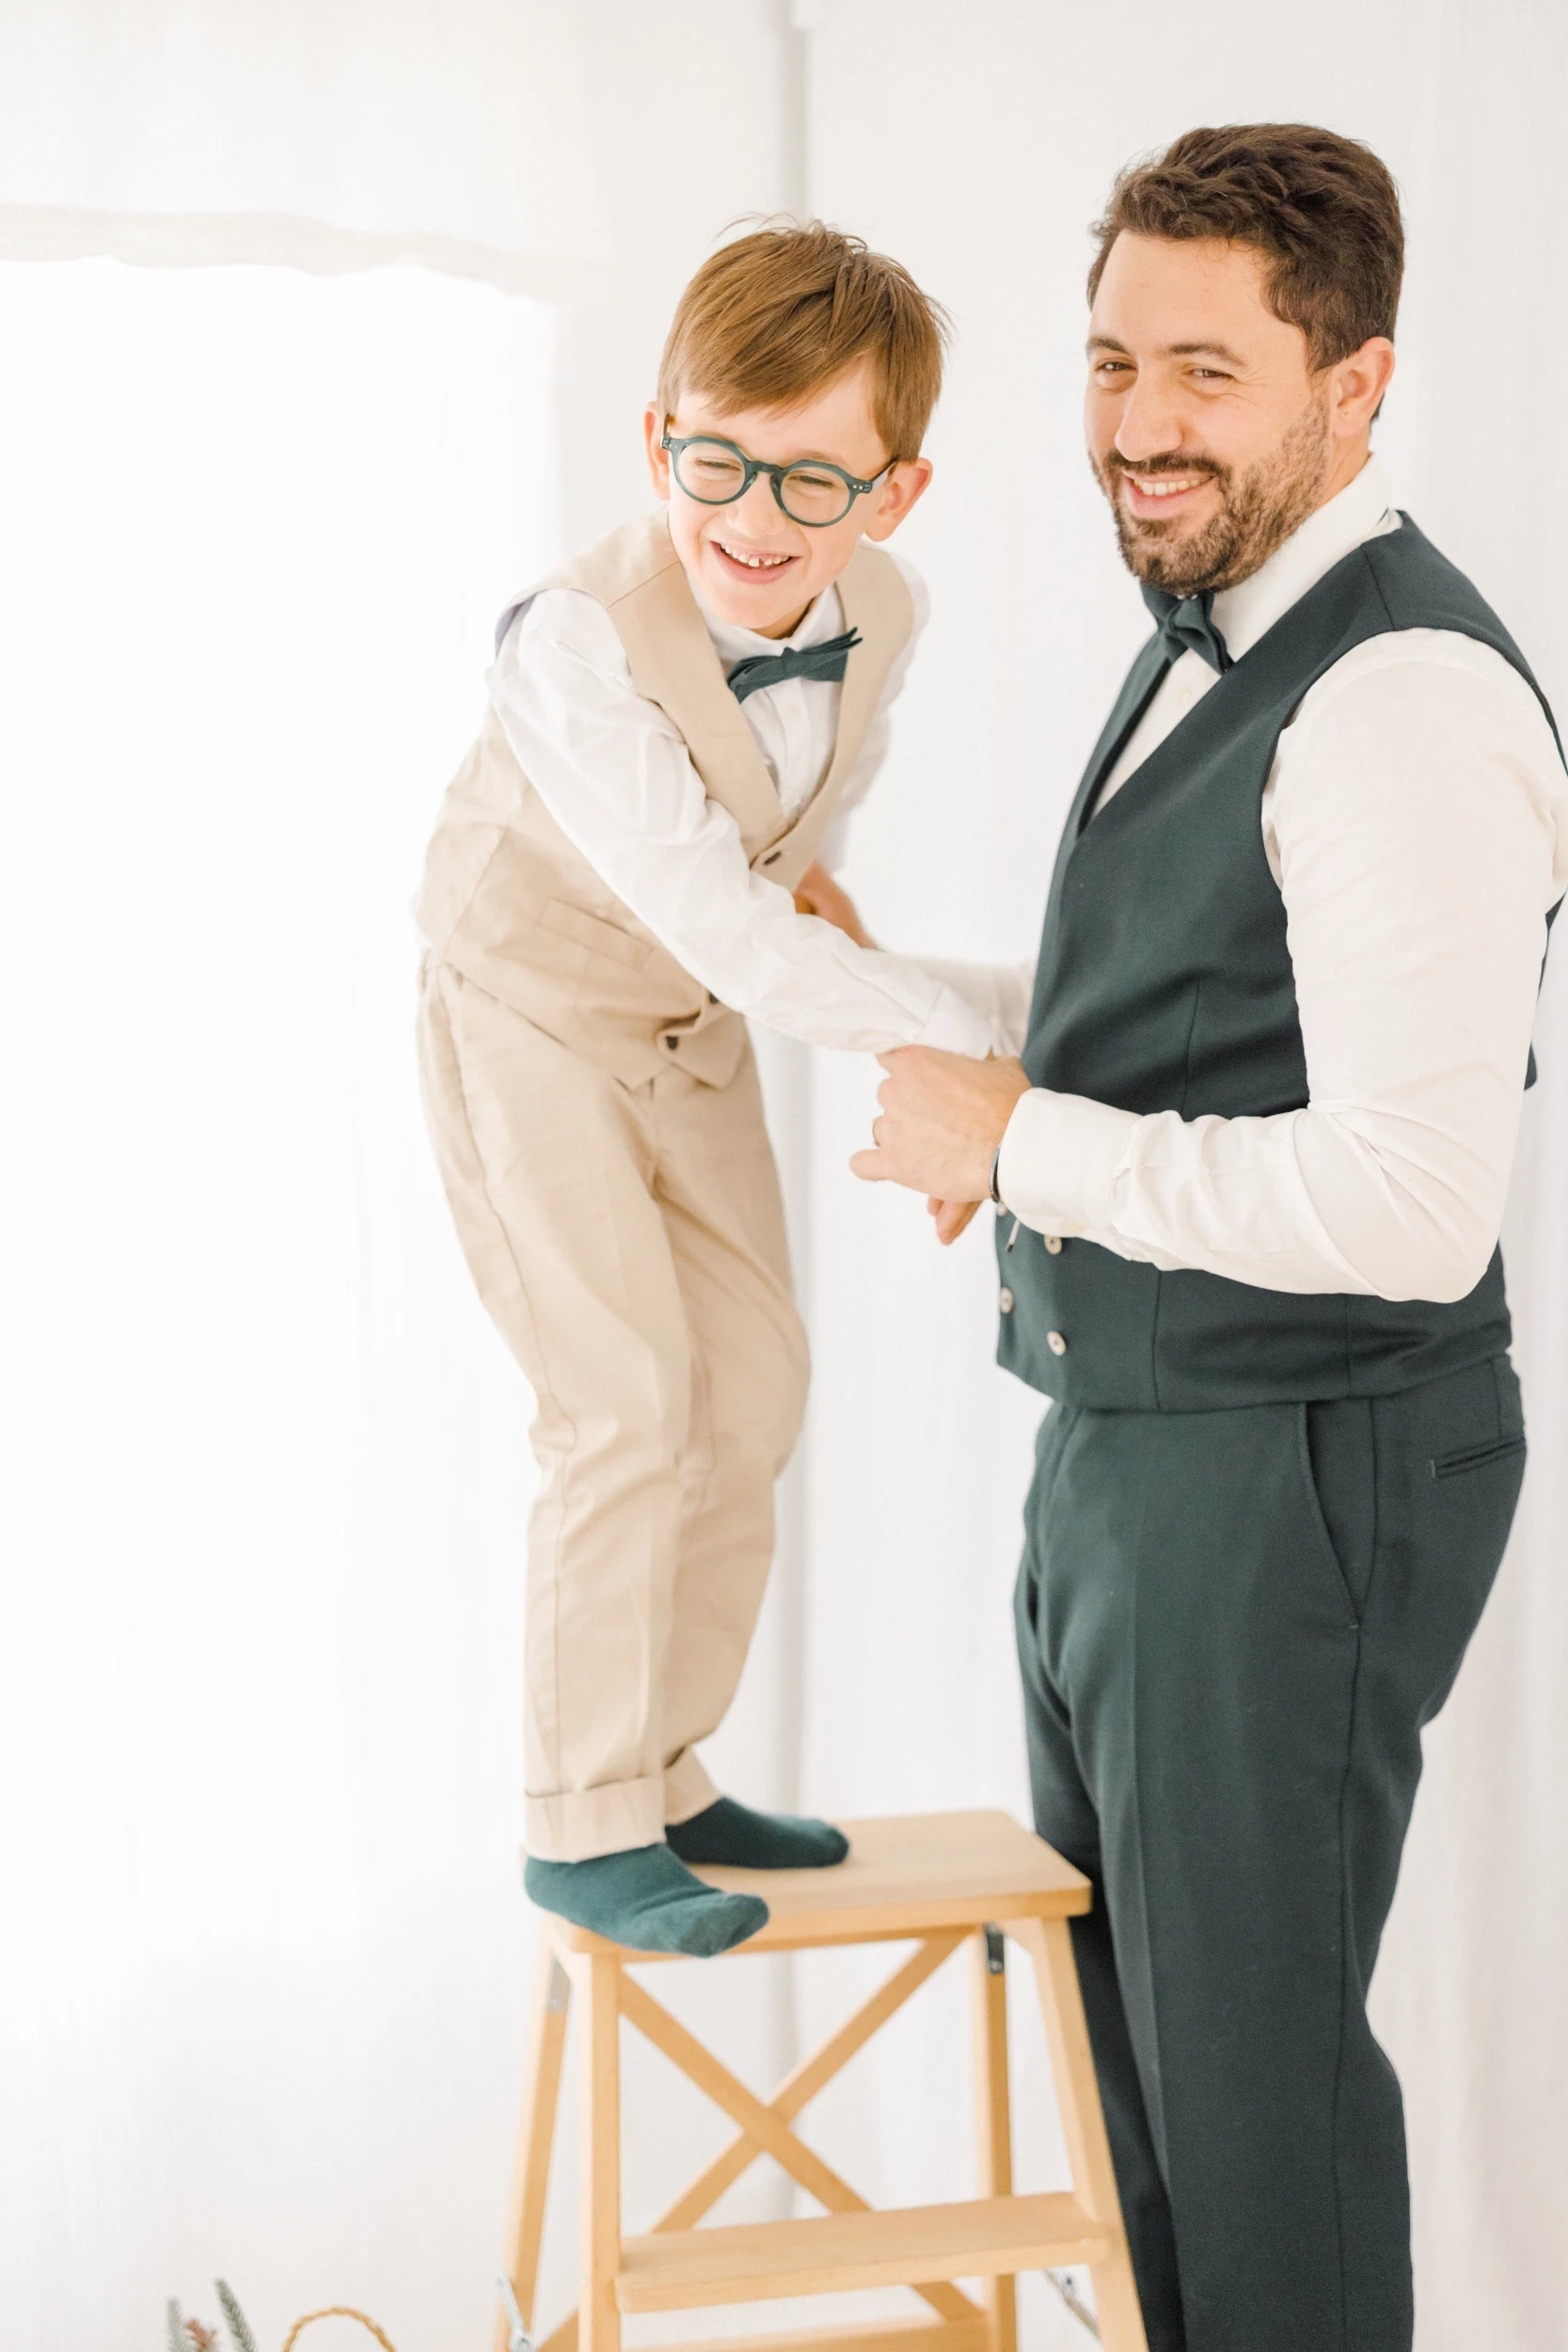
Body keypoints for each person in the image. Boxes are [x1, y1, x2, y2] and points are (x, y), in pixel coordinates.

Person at [821, 125, 1567, 2351]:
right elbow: (1194, 1020)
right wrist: (913, 1006)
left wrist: (1019, 1137)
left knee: (1250, 2139)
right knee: (1134, 2095)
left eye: (1204, 373)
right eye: (1108, 360)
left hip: (1282, 1481)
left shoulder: (1396, 696)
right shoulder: (1209, 632)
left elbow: (1410, 1210)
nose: (1138, 422)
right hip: (1136, 1461)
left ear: (1353, 387)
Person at [414, 222, 997, 1960]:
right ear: (657, 435)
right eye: (714, 459)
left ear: (892, 494)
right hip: (529, 1009)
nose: (751, 517)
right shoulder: (571, 640)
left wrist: (900, 988)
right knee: (621, 1405)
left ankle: (664, 1772)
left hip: (699, 1019)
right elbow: (720, 918)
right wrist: (977, 1037)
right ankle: (578, 1821)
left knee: (750, 1390)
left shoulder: (883, 615)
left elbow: (793, 855)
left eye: (810, 481)